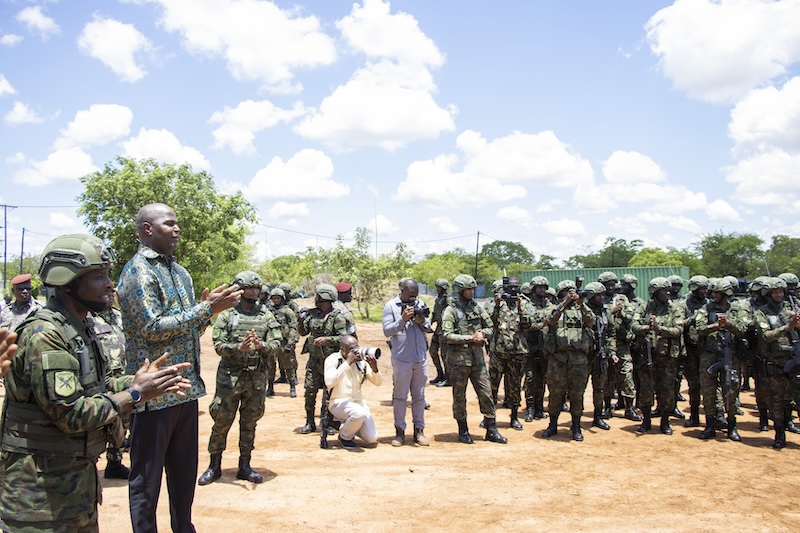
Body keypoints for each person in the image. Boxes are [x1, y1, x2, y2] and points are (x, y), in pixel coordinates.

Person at [0, 233, 190, 532]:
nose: (109, 284)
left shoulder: (80, 327)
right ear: (66, 282)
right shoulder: (44, 335)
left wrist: (138, 381)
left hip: (74, 487)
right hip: (38, 498)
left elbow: (99, 385)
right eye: (98, 276)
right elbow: (71, 414)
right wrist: (135, 394)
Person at [118, 203, 242, 533]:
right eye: (169, 223)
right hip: (154, 394)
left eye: (177, 224)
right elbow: (152, 328)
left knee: (184, 476)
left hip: (185, 391)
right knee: (147, 481)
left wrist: (208, 312)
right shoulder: (138, 271)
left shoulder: (180, 272)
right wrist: (205, 309)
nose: (177, 229)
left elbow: (187, 330)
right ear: (147, 229)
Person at [198, 271, 283, 486]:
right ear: (239, 290)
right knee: (221, 421)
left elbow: (277, 343)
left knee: (249, 423)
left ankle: (245, 465)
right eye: (249, 288)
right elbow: (218, 346)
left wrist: (262, 345)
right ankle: (214, 465)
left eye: (256, 288)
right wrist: (238, 347)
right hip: (230, 378)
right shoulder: (227, 315)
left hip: (256, 378)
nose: (254, 292)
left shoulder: (265, 315)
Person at [441, 274, 507, 445]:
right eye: (467, 290)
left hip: (478, 360)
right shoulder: (451, 310)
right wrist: (470, 338)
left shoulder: (477, 308)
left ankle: (491, 429)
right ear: (459, 291)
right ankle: (463, 430)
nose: (471, 292)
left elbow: (490, 327)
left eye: (472, 289)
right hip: (458, 362)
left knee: (486, 394)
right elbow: (447, 335)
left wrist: (483, 333)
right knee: (459, 396)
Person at [541, 280, 595, 441]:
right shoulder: (554, 308)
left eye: (571, 291)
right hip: (558, 358)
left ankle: (576, 426)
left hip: (579, 358)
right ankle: (552, 424)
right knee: (555, 393)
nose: (570, 294)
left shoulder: (581, 309)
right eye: (566, 291)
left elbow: (591, 321)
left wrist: (581, 303)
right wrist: (564, 303)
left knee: (577, 394)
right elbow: (549, 320)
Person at [382, 278, 433, 447]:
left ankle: (419, 431)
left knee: (419, 396)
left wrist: (422, 321)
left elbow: (429, 328)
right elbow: (387, 331)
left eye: (415, 295)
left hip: (420, 358)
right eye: (410, 294)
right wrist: (402, 319)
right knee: (400, 397)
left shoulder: (420, 304)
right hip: (402, 359)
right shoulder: (391, 306)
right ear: (402, 290)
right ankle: (399, 432)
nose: (413, 298)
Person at [631, 277, 684, 435]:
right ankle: (646, 420)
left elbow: (678, 329)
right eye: (663, 291)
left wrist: (660, 329)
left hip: (667, 357)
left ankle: (665, 421)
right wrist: (647, 328)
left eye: (668, 291)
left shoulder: (674, 309)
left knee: (667, 389)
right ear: (654, 293)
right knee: (646, 389)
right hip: (647, 356)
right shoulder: (645, 307)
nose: (667, 293)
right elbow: (634, 325)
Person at [694, 277, 746, 441]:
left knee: (731, 390)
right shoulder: (706, 308)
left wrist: (728, 324)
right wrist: (716, 326)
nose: (714, 295)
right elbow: (699, 328)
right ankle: (710, 425)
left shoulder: (737, 309)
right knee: (708, 391)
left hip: (730, 354)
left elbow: (743, 329)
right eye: (713, 292)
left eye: (718, 293)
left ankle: (731, 426)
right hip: (710, 354)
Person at [297, 284, 348, 434]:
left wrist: (327, 340)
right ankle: (309, 422)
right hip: (314, 360)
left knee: (329, 393)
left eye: (318, 296)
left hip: (330, 361)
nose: (316, 299)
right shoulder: (312, 315)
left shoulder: (337, 317)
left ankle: (327, 422)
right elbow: (303, 332)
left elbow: (343, 338)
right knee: (309, 391)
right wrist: (300, 320)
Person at [755, 277, 798, 449]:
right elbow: (766, 336)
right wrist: (788, 327)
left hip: (795, 360)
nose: (779, 295)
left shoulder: (791, 310)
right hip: (776, 362)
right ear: (768, 294)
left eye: (781, 291)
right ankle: (779, 434)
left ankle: (790, 423)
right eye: (775, 292)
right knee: (777, 400)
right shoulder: (762, 313)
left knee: (795, 398)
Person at [94, 295, 133, 479]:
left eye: (112, 293)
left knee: (122, 423)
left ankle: (114, 463)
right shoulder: (89, 319)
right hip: (102, 380)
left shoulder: (120, 316)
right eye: (105, 293)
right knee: (100, 422)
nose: (109, 296)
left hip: (123, 378)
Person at [485, 276, 531, 431]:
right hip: (498, 352)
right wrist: (497, 305)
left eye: (516, 286)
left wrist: (520, 307)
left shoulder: (524, 303)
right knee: (492, 386)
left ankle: (514, 417)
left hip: (517, 352)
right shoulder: (495, 304)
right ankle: (489, 418)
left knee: (515, 386)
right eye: (510, 286)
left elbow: (528, 325)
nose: (513, 289)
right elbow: (489, 323)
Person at [324, 335, 382, 449]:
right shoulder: (333, 359)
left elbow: (378, 383)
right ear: (342, 349)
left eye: (356, 347)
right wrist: (347, 363)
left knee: (372, 438)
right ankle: (344, 436)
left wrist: (375, 369)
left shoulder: (361, 362)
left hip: (359, 403)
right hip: (338, 402)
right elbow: (329, 382)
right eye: (351, 349)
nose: (355, 351)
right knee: (359, 413)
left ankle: (352, 427)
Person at [676, 275, 710, 428]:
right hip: (690, 349)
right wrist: (693, 319)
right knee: (694, 384)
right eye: (701, 289)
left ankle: (714, 416)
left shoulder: (708, 304)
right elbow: (678, 324)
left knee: (710, 384)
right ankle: (694, 415)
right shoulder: (684, 304)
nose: (704, 291)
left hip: (707, 349)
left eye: (705, 289)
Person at [521, 277, 552, 422]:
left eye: (544, 287)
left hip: (545, 348)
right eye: (539, 287)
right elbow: (527, 325)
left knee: (542, 379)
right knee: (530, 379)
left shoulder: (549, 305)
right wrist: (542, 325)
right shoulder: (527, 305)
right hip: (530, 348)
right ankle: (530, 408)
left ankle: (539, 407)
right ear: (533, 289)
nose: (542, 290)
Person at [268, 287, 300, 397]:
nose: (276, 300)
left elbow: (293, 327)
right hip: (271, 342)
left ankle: (292, 387)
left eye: (278, 298)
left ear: (282, 298)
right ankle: (270, 387)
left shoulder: (288, 311)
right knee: (270, 366)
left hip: (284, 342)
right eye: (274, 298)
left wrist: (290, 344)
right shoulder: (268, 312)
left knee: (288, 366)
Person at [429, 278, 452, 387]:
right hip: (438, 329)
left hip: (445, 330)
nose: (437, 289)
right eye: (436, 287)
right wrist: (429, 324)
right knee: (432, 351)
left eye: (439, 287)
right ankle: (440, 374)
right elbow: (435, 313)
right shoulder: (437, 300)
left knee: (444, 355)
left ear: (444, 288)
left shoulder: (449, 300)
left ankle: (449, 378)